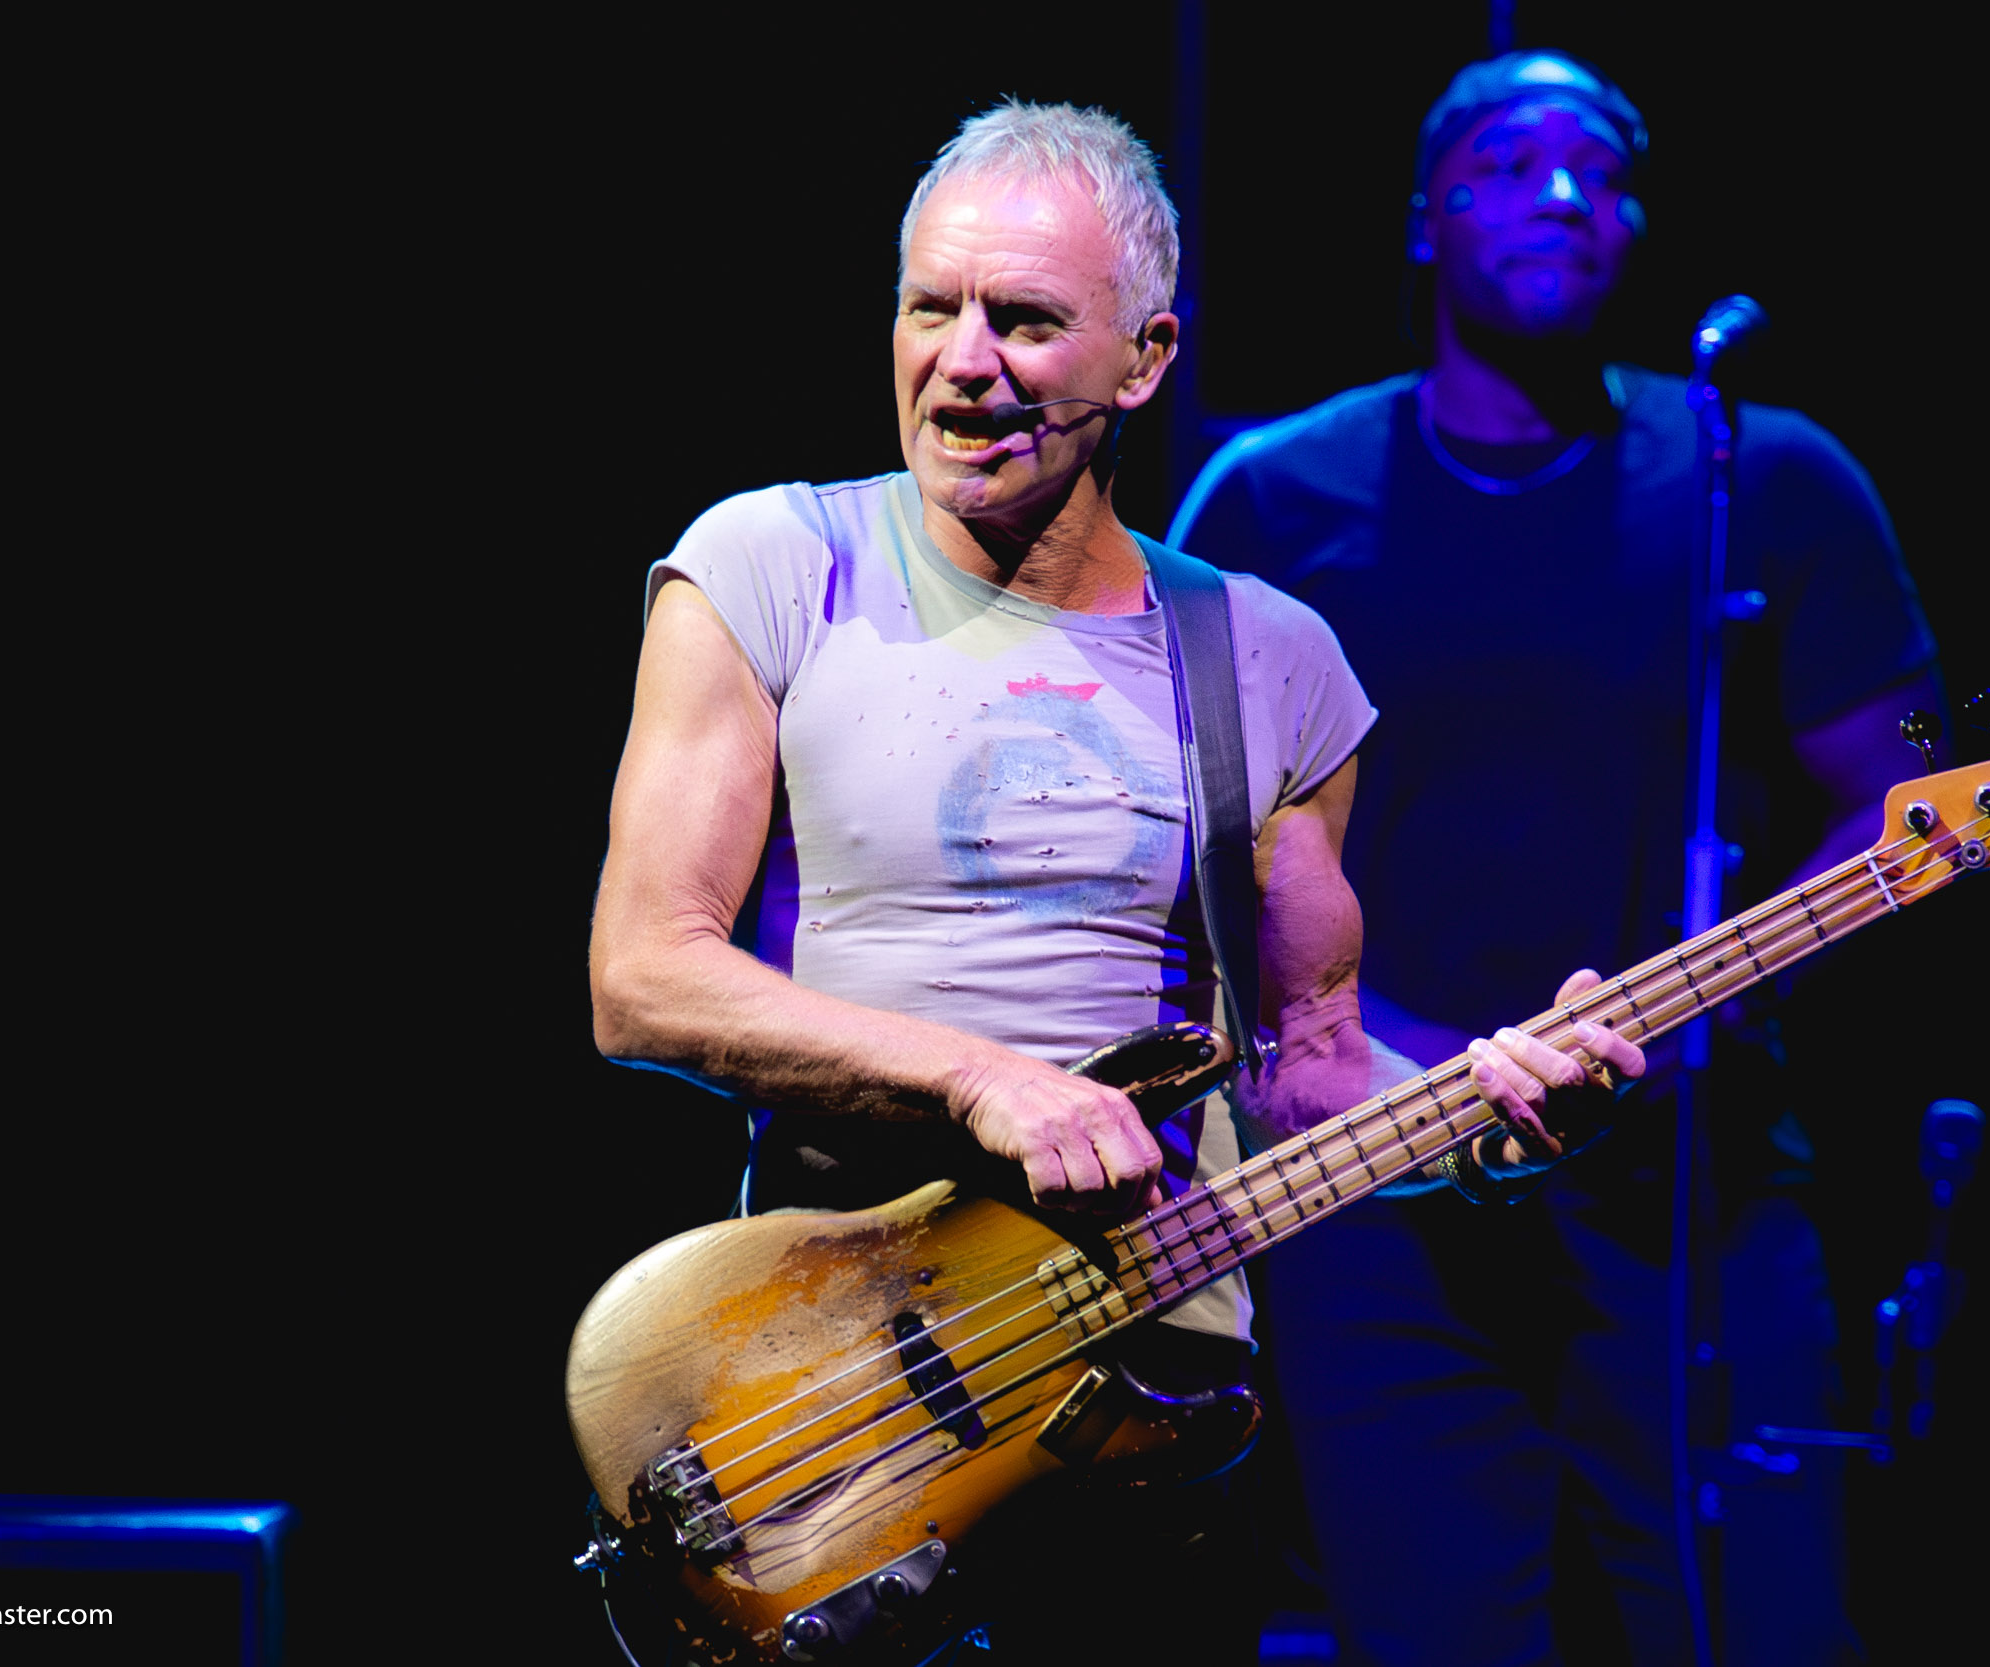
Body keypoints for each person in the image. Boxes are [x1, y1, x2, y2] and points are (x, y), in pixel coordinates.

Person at [586, 100, 1647, 1665]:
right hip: (852, 1378)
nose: (964, 360)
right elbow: (644, 976)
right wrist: (987, 1082)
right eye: (931, 308)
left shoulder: (1268, 657)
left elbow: (1308, 1070)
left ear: (1147, 360)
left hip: (1153, 1403)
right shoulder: (771, 566)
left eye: (1023, 321)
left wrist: (1484, 1122)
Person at [1167, 51, 1941, 1667]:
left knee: (1761, 1625)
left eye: (1599, 170)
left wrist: (1721, 990)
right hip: (1378, 1184)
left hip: (1689, 1180)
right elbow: (1186, 842)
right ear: (1425, 222)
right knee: (1435, 1631)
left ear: (1637, 228)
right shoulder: (1274, 497)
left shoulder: (1761, 477)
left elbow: (1897, 796)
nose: (1563, 195)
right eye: (1511, 165)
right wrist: (1365, 1060)